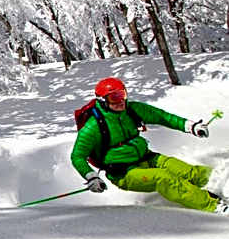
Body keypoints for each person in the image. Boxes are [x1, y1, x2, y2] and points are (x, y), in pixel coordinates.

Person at [71, 77, 228, 214]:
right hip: (124, 173)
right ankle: (214, 205)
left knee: (189, 172)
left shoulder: (132, 110)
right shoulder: (93, 127)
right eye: (114, 97)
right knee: (163, 178)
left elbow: (162, 117)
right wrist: (91, 176)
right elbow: (77, 156)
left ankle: (222, 184)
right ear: (103, 101)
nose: (120, 101)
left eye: (122, 95)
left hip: (148, 157)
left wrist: (190, 126)